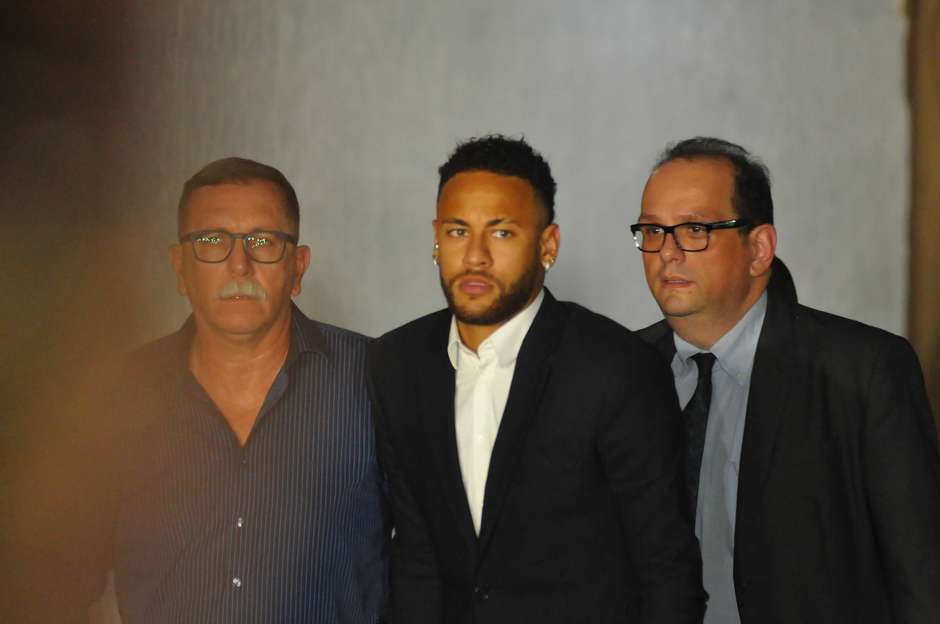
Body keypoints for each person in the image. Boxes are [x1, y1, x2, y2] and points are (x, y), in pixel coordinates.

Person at [368, 135, 705, 624]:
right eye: (458, 231)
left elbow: (667, 571)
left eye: (502, 233)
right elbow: (417, 557)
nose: (475, 256)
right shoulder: (398, 364)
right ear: (436, 239)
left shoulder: (615, 368)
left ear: (548, 245)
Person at [632, 137, 940, 624]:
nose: (667, 253)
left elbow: (920, 575)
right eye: (652, 231)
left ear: (759, 249)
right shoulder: (621, 369)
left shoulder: (861, 371)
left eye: (694, 229)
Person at [85, 158, 386, 623]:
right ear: (180, 267)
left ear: (298, 267)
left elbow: (433, 560)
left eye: (263, 242)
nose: (239, 264)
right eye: (212, 242)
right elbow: (61, 572)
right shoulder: (118, 395)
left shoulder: (376, 379)